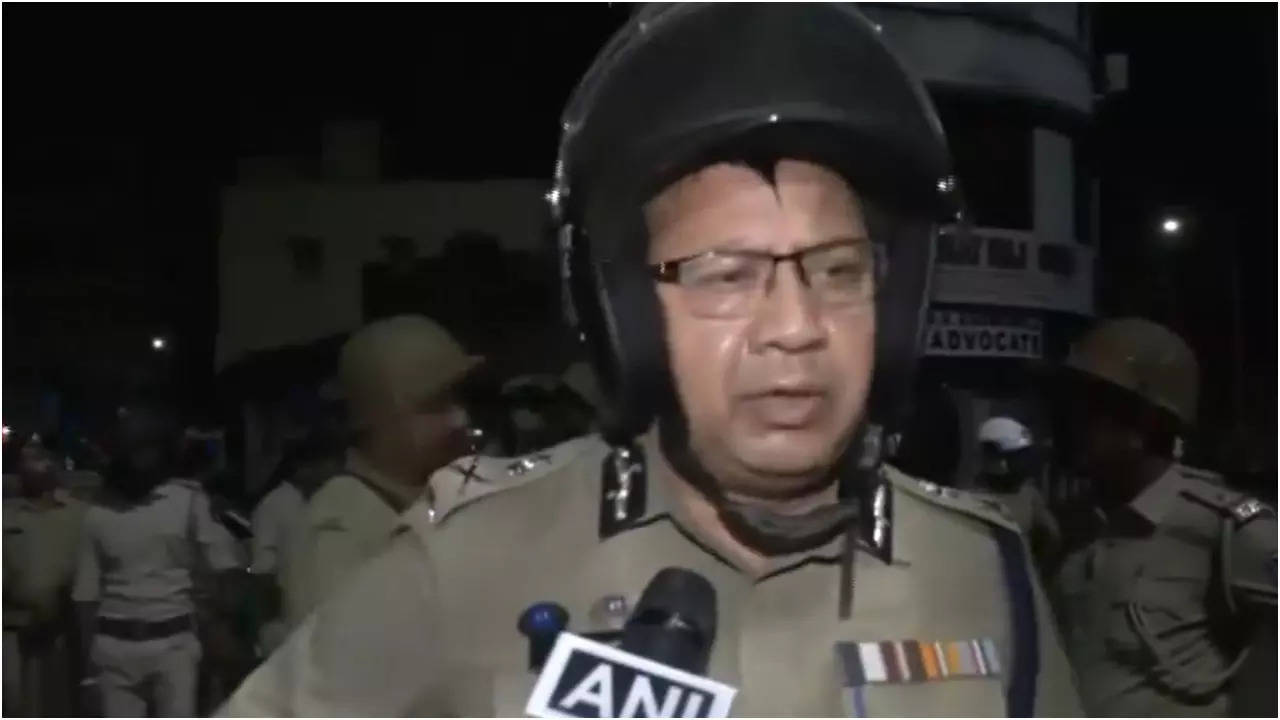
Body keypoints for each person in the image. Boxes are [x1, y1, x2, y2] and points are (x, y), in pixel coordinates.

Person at [222, 5, 1082, 715]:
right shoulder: (470, 564)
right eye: (725, 275)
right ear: (624, 315)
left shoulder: (982, 569)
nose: (795, 326)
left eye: (837, 270)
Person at [1047, 317, 1276, 716]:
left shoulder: (1218, 526)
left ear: (1144, 422)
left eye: (1090, 408)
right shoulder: (1071, 526)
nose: (1071, 423)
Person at [280, 314, 482, 626]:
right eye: (436, 406)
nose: (461, 419)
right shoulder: (340, 532)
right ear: (377, 419)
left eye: (457, 399)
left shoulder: (436, 500)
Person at [73, 400, 242, 717]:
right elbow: (86, 595)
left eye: (145, 449)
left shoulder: (189, 502)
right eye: (131, 450)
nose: (138, 458)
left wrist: (218, 620)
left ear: (163, 452)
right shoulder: (98, 512)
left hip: (174, 647)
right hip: (113, 649)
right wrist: (89, 673)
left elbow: (227, 568)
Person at [3, 434, 87, 716]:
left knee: (64, 706)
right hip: (14, 634)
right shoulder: (5, 517)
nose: (35, 466)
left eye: (41, 458)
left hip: (69, 634)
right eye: (27, 459)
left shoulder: (81, 514)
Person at [249, 434, 340, 655]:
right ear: (303, 467)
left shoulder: (320, 502)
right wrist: (265, 629)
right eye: (327, 463)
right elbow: (263, 572)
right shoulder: (276, 505)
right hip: (284, 625)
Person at [973, 416, 1061, 567]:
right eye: (1017, 457)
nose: (1022, 464)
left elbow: (1053, 535)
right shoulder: (971, 499)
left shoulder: (1028, 494)